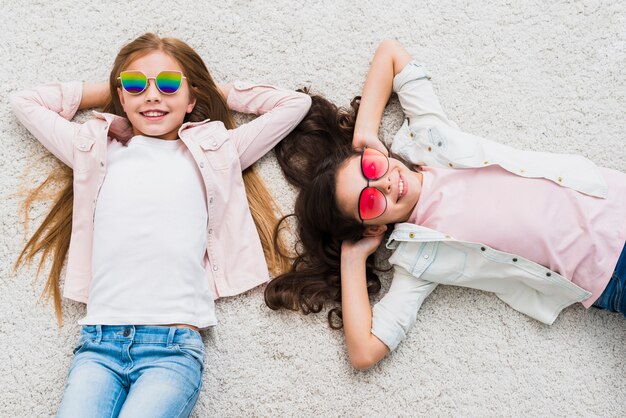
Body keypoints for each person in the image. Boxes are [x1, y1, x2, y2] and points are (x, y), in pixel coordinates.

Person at [264, 39, 626, 370]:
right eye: (371, 199)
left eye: (371, 168)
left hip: (609, 195)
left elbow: (390, 53)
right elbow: (363, 352)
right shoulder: (420, 260)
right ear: (373, 228)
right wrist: (352, 257)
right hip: (609, 275)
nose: (386, 182)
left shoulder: (432, 140)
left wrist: (364, 132)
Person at [11, 33, 311, 417]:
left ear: (191, 100)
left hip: (172, 349)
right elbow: (25, 101)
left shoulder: (220, 152)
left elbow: (294, 104)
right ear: (121, 97)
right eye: (137, 85)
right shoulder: (94, 151)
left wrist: (204, 87)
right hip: (98, 345)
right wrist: (116, 86)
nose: (152, 95)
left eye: (167, 84)